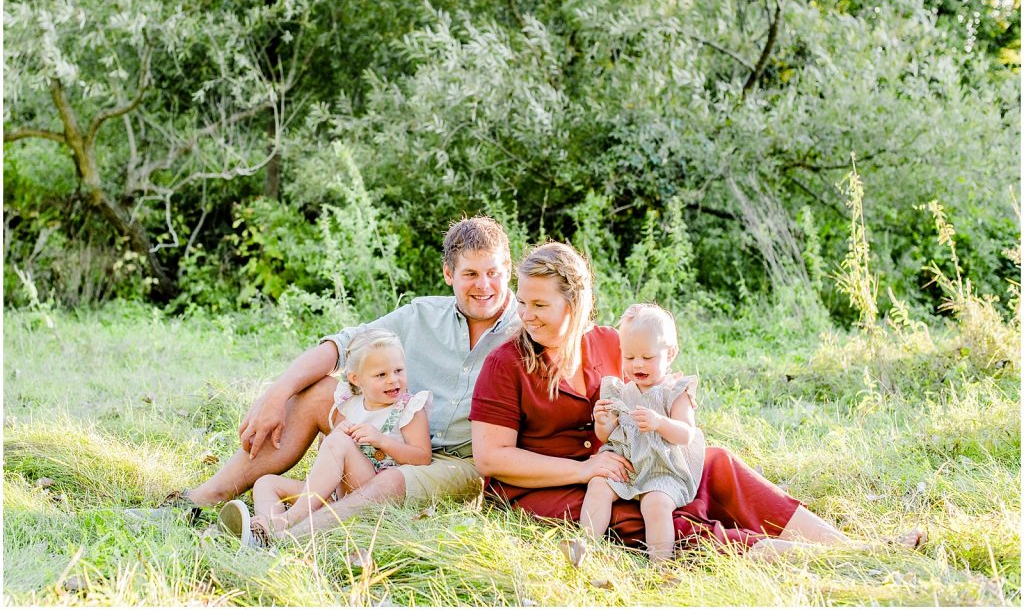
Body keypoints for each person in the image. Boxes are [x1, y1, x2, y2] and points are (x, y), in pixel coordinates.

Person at [470, 241, 879, 561]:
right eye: (522, 302)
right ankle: (820, 559)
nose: (526, 314)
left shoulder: (612, 344)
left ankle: (849, 545)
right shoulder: (506, 363)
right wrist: (586, 469)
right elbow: (491, 459)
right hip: (551, 487)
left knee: (715, 462)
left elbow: (659, 382)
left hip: (632, 464)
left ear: (574, 306)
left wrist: (671, 411)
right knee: (654, 517)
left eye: (540, 304)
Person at [138, 216, 519, 538]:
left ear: (509, 271)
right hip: (386, 435)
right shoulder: (421, 315)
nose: (483, 286)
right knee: (318, 391)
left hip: (455, 462)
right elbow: (343, 345)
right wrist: (277, 392)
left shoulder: (527, 328)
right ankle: (202, 500)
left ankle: (283, 536)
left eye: (493, 273)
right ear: (448, 274)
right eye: (470, 274)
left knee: (389, 484)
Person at [217, 329, 432, 546]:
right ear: (356, 379)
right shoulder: (350, 404)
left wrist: (382, 440)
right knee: (266, 483)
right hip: (335, 494)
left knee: (338, 440)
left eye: (398, 370)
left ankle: (289, 519)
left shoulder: (408, 409)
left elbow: (423, 457)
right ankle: (265, 530)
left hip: (371, 490)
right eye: (381, 375)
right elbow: (329, 453)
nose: (393, 380)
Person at [572, 303, 704, 564]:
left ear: (671, 353)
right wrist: (602, 422)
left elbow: (686, 434)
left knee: (656, 504)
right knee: (598, 485)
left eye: (647, 357)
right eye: (630, 357)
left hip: (661, 468)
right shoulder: (621, 391)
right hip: (627, 464)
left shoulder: (675, 391)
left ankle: (660, 564)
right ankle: (584, 547)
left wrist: (659, 423)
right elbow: (608, 435)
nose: (637, 364)